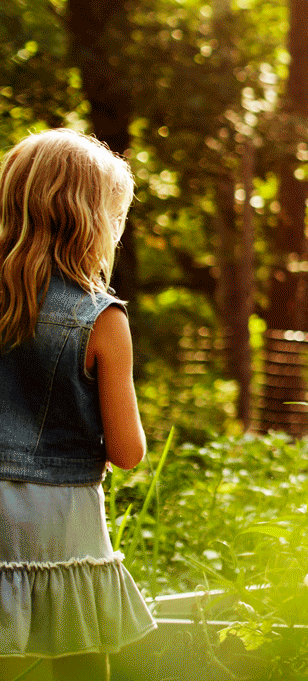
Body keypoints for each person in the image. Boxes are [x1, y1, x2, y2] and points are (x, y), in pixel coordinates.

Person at [0, 130, 156, 681]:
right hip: (61, 517)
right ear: (92, 222)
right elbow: (128, 451)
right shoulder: (101, 319)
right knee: (79, 655)